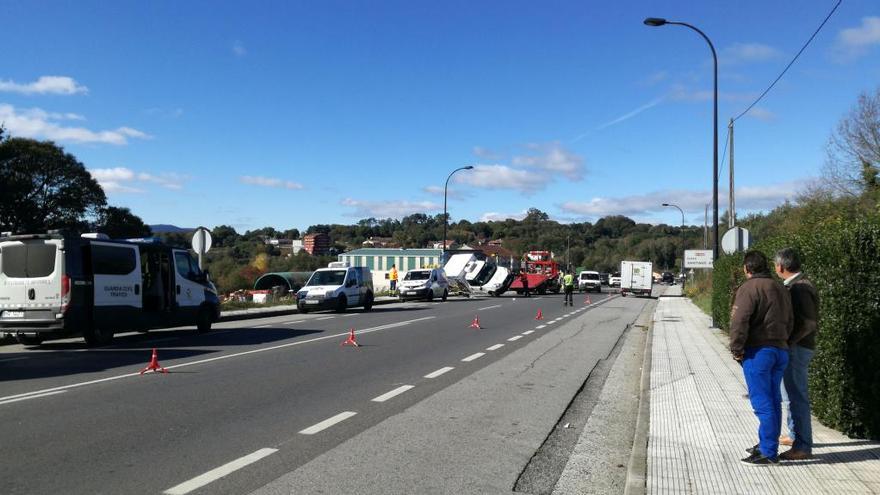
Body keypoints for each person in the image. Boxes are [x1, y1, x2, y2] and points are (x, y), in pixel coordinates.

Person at [729, 250, 793, 466]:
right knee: (774, 400)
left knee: (762, 402)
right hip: (781, 350)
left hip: (759, 352)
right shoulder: (780, 288)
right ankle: (767, 444)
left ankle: (768, 451)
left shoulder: (749, 288)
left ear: (747, 268)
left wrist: (736, 348)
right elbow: (791, 320)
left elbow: (739, 321)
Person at [775, 248, 819, 461]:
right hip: (799, 347)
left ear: (781, 266)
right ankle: (795, 436)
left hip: (798, 348)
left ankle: (802, 446)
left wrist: (789, 341)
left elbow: (809, 323)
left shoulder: (799, 288)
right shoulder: (799, 284)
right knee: (789, 395)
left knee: (796, 397)